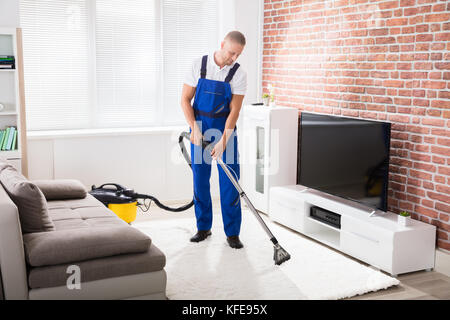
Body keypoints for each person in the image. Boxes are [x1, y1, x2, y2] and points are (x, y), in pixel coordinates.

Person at [180, 31, 247, 249]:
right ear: (222, 45)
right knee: (200, 180)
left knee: (230, 183)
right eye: (231, 52)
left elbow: (234, 111)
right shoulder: (199, 65)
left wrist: (223, 141)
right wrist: (194, 129)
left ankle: (233, 233)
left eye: (237, 55)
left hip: (224, 129)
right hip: (200, 129)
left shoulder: (239, 74)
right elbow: (185, 100)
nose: (233, 58)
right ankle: (203, 228)